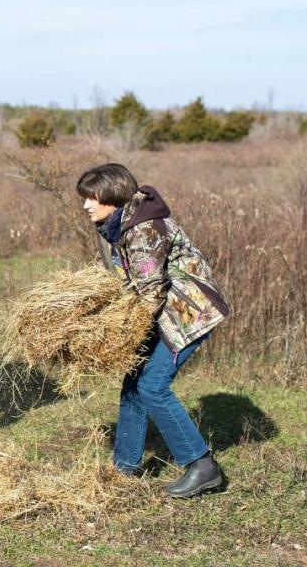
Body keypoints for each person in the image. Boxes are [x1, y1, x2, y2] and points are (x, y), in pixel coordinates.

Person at [76, 163, 230, 498]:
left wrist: (119, 334)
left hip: (188, 314)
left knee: (152, 385)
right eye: (83, 198)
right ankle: (124, 467)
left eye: (91, 198)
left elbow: (150, 291)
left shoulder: (142, 229)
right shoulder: (119, 225)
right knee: (134, 383)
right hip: (164, 312)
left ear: (112, 196)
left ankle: (202, 465)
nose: (85, 205)